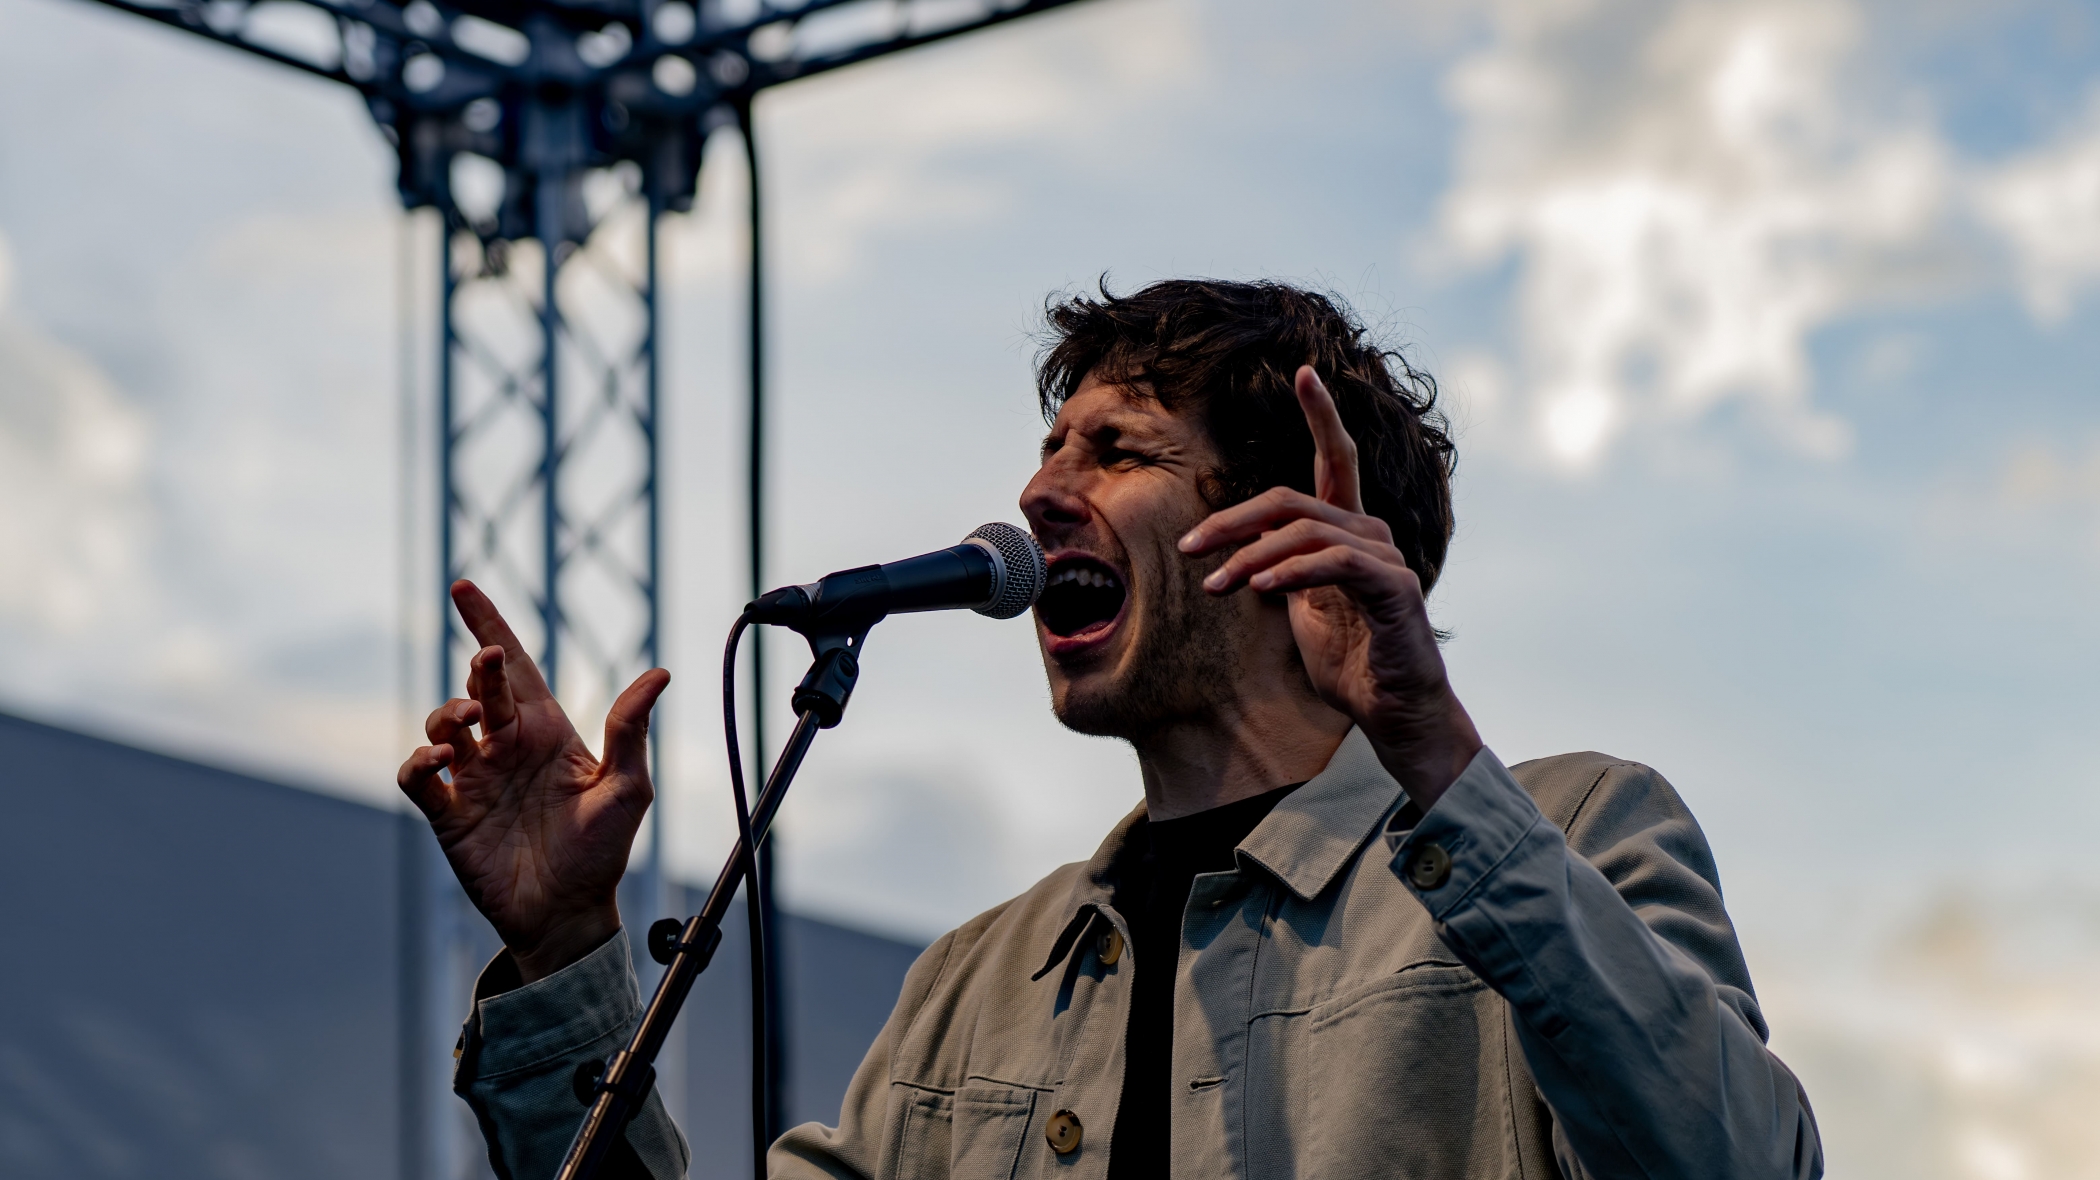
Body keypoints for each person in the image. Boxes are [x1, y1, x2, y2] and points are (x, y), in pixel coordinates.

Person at [399, 279, 1822, 1180]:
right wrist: (564, 951)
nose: (1036, 493)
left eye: (1119, 451)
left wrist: (1436, 754)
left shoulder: (1573, 832)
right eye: (1047, 446)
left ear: (1293, 535)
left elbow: (1738, 1163)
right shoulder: (982, 982)